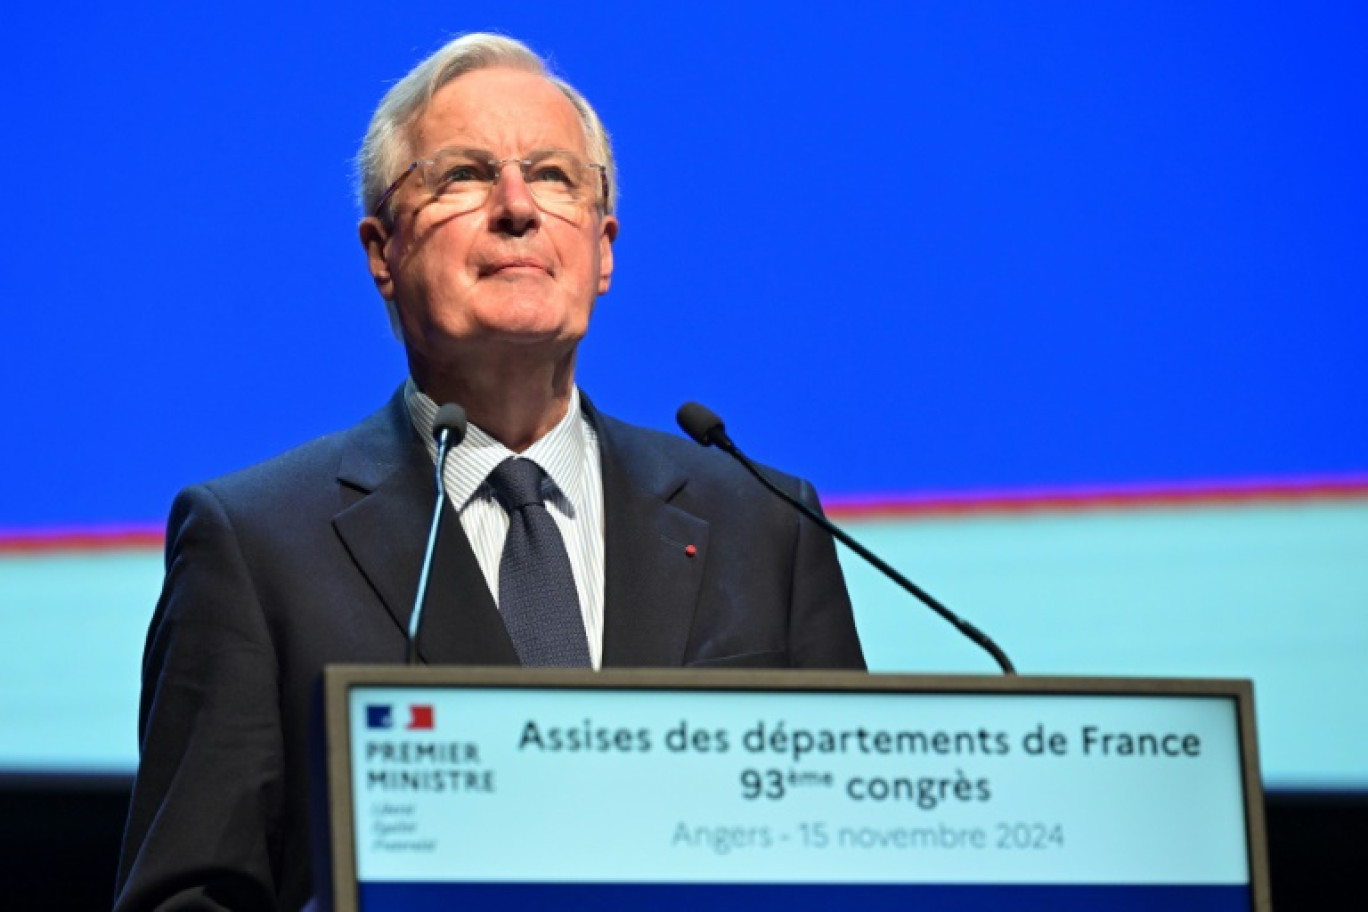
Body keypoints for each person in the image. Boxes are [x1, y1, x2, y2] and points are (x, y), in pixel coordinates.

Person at [114, 32, 864, 911]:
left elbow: (849, 861)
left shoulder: (765, 525)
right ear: (382, 252)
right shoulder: (255, 543)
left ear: (604, 246)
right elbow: (185, 898)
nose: (517, 207)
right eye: (462, 175)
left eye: (553, 176)